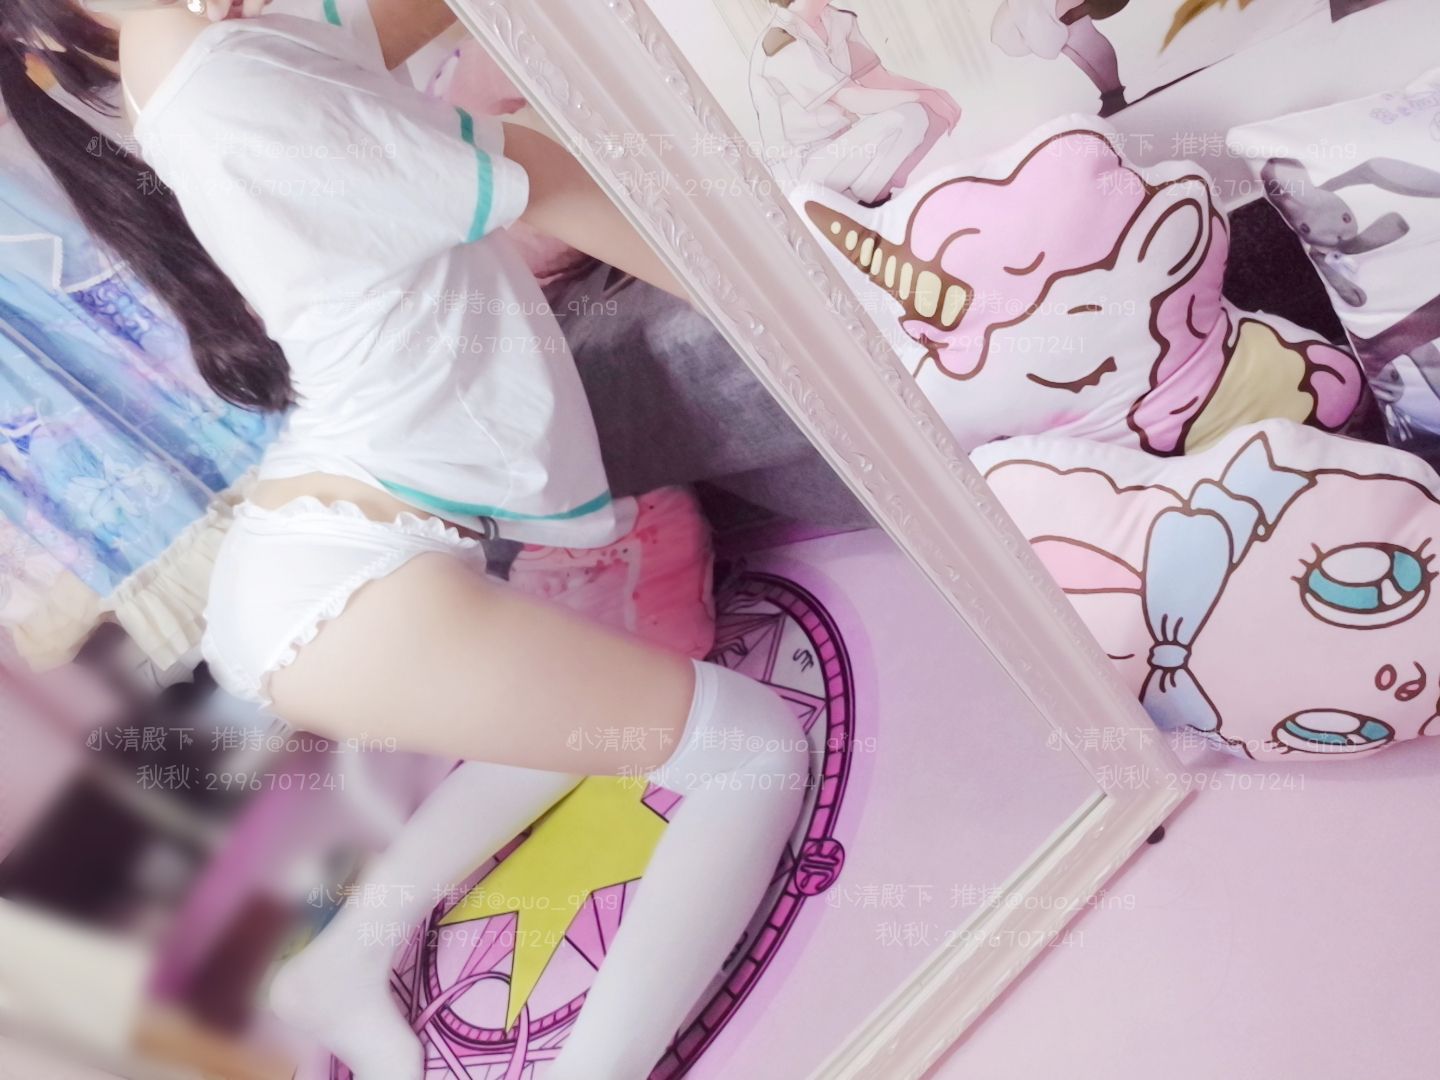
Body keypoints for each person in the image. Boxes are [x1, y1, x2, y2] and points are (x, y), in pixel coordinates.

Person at [0, 1, 813, 1077]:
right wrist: (812, 320)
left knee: (603, 696)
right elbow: (539, 173)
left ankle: (339, 967)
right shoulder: (216, 82)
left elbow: (401, 23)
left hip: (327, 554)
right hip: (348, 588)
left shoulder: (222, 48)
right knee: (753, 750)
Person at [750, 0, 959, 205]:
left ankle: (874, 194)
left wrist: (935, 94)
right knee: (906, 117)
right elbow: (854, 100)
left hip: (843, 147)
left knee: (932, 112)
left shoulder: (838, 20)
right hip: (803, 167)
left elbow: (878, 80)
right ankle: (869, 198)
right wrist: (924, 96)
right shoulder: (780, 42)